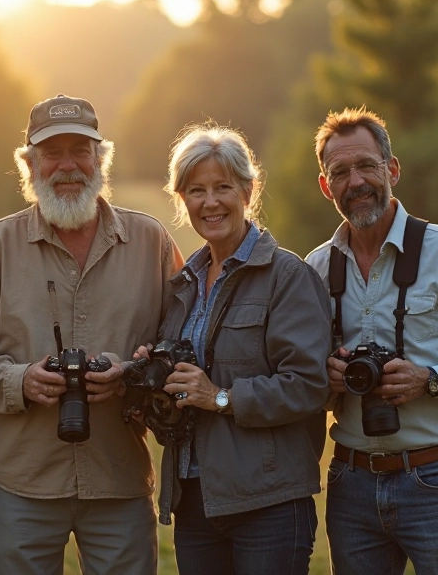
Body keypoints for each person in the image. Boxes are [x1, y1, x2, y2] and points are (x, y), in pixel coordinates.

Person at [0, 94, 183, 575]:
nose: (67, 166)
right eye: (52, 153)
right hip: (23, 483)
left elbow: (181, 347)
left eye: (80, 150)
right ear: (29, 164)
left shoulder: (150, 241)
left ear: (101, 159)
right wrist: (20, 381)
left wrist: (131, 373)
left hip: (120, 478)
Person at [305, 107, 438, 575]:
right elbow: (301, 380)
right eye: (340, 172)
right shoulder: (316, 270)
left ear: (393, 169)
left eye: (367, 165)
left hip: (437, 479)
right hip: (351, 480)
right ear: (326, 187)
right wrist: (329, 379)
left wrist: (430, 380)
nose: (355, 181)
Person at [136, 123, 331, 574]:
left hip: (269, 502)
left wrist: (219, 397)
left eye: (223, 187)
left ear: (247, 190)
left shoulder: (287, 277)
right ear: (182, 199)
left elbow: (307, 386)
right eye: (196, 190)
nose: (210, 202)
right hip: (195, 499)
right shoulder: (183, 284)